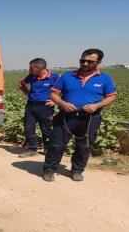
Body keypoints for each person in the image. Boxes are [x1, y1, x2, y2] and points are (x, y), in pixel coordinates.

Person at [42, 49, 117, 182]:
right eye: (83, 60)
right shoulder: (67, 76)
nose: (85, 63)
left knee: (84, 146)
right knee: (56, 144)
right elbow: (53, 94)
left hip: (90, 118)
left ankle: (77, 170)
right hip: (66, 116)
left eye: (90, 61)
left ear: (98, 62)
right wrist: (62, 103)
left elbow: (111, 97)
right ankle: (49, 169)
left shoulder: (105, 78)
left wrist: (96, 106)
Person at [18, 58, 60, 157]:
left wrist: (56, 101)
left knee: (46, 129)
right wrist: (27, 93)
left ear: (39, 68)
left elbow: (65, 89)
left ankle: (48, 149)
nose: (29, 70)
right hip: (31, 105)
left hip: (45, 107)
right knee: (29, 128)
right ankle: (32, 149)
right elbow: (21, 84)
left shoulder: (56, 77)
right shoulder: (31, 76)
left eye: (31, 69)